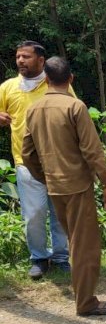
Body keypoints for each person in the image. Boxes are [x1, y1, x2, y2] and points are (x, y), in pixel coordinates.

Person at [21, 57, 106, 317]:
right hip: (77, 187)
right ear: (71, 79)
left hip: (55, 187)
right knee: (84, 246)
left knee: (75, 242)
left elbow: (27, 153)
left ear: (46, 80)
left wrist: (44, 177)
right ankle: (86, 303)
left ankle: (83, 296)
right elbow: (92, 151)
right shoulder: (75, 107)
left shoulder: (34, 109)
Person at [0, 41, 69, 279]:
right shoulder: (8, 87)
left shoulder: (56, 83)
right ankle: (39, 258)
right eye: (18, 56)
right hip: (26, 161)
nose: (20, 61)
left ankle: (61, 257)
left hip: (59, 159)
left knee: (61, 212)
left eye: (26, 57)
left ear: (41, 60)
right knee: (34, 214)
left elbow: (74, 109)